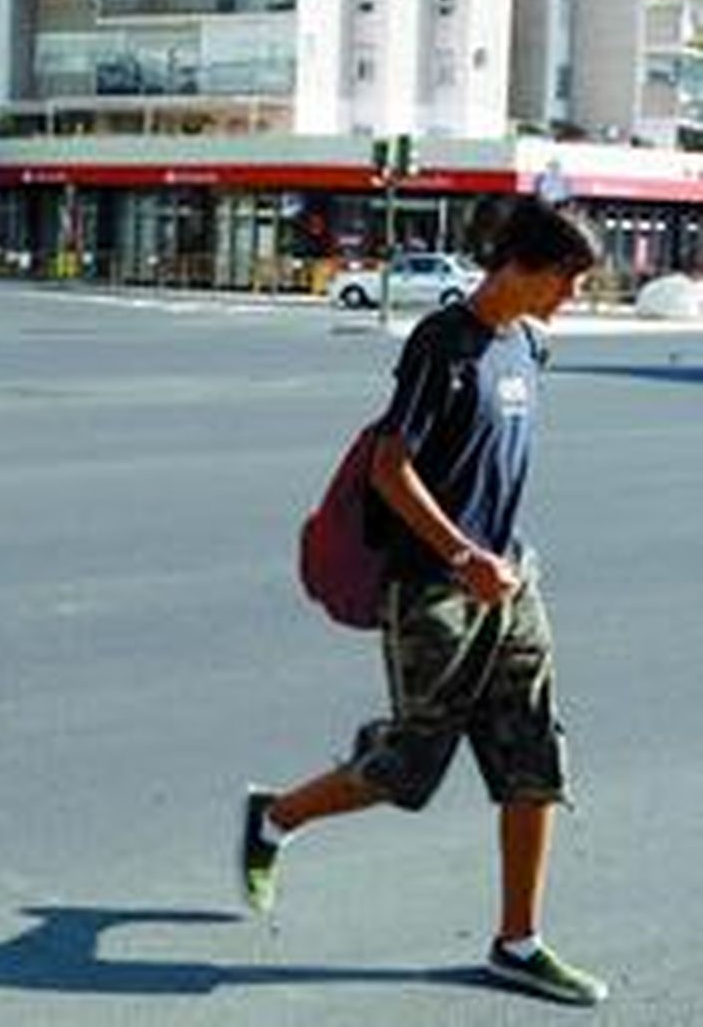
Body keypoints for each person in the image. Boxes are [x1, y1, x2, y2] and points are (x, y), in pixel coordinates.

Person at [242, 197, 607, 1005]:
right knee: (406, 768)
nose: (570, 295)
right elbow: (389, 468)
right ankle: (275, 818)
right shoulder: (442, 345)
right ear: (517, 264)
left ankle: (518, 943)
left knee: (534, 759)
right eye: (565, 277)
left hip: (510, 583)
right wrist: (460, 554)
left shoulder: (526, 348)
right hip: (435, 588)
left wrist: (497, 563)